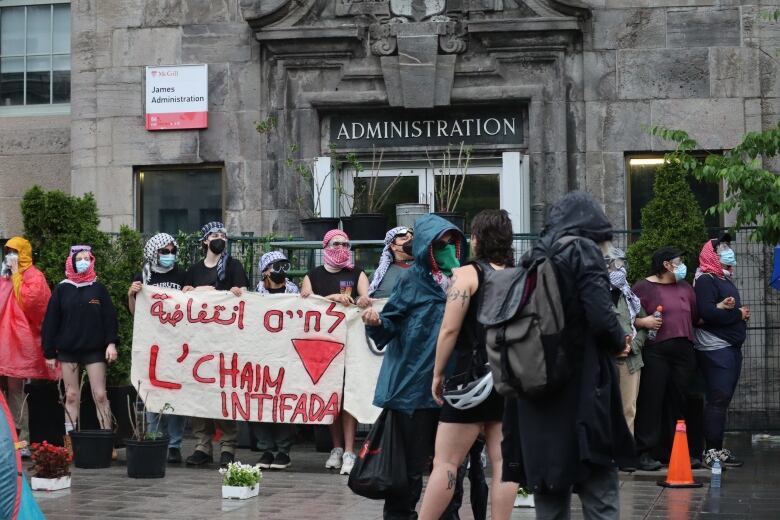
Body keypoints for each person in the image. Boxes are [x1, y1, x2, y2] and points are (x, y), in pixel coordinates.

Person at [501, 192, 633, 520]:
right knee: (598, 490)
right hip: (581, 391)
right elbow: (602, 317)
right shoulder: (583, 251)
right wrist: (620, 340)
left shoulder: (533, 256)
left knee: (549, 491)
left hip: (535, 390)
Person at [362, 214, 467, 520]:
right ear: (425, 247)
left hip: (453, 389)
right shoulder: (412, 280)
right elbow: (390, 323)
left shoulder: (464, 282)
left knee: (450, 467)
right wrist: (376, 321)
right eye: (439, 244)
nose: (446, 249)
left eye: (451, 244)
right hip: (412, 391)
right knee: (407, 469)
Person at [419, 209, 518, 520]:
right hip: (511, 378)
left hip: (469, 379)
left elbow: (449, 329)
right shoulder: (521, 276)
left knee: (446, 463)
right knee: (504, 464)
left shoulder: (467, 275)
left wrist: (437, 373)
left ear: (478, 239)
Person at [300, 229, 370, 475]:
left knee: (348, 395)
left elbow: (366, 298)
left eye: (346, 244)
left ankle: (350, 450)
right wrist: (330, 298)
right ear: (325, 246)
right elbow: (304, 304)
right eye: (336, 243)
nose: (341, 248)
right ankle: (337, 448)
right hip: (324, 345)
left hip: (351, 343)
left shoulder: (357, 273)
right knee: (332, 397)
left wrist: (362, 300)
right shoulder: (313, 276)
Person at [182, 222, 249, 467]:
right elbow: (184, 299)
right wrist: (195, 290)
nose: (219, 238)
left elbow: (242, 294)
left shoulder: (234, 266)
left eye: (223, 235)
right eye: (214, 235)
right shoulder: (194, 270)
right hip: (200, 340)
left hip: (225, 340)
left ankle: (228, 445)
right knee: (199, 390)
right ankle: (202, 445)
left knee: (224, 390)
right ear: (204, 241)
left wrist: (233, 293)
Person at [631, 246, 699, 471]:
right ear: (666, 265)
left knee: (679, 401)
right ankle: (645, 452)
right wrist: (644, 322)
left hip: (684, 350)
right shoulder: (643, 287)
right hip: (656, 350)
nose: (682, 266)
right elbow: (629, 316)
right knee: (652, 400)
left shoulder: (686, 288)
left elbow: (695, 316)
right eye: (678, 261)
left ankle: (678, 451)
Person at [41, 245, 119, 435]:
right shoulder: (62, 289)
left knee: (100, 395)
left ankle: (106, 439)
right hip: (69, 351)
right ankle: (69, 443)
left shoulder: (98, 288)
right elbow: (51, 321)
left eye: (87, 258)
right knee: (72, 396)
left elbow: (109, 318)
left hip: (94, 350)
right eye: (79, 259)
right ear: (72, 262)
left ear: (92, 261)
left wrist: (111, 343)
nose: (83, 262)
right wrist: (49, 353)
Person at [127, 233, 187, 463]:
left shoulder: (182, 274)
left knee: (176, 391)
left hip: (176, 343)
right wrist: (132, 294)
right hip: (151, 342)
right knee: (152, 391)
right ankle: (154, 436)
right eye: (164, 251)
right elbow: (134, 312)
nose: (169, 255)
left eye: (172, 251)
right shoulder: (143, 276)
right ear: (154, 252)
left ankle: (174, 444)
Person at [693, 237, 747, 469]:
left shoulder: (722, 277)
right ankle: (710, 452)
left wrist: (734, 310)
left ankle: (717, 448)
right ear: (710, 253)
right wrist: (738, 315)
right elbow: (706, 313)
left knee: (723, 400)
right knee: (718, 398)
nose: (728, 251)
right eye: (722, 248)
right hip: (715, 348)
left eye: (728, 247)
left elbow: (721, 309)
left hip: (730, 348)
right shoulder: (705, 279)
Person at [0, 237, 53, 457]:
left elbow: (32, 304)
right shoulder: (4, 277)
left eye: (14, 251)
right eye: (7, 251)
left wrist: (16, 276)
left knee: (15, 392)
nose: (10, 255)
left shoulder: (34, 277)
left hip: (18, 346)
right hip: (4, 343)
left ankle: (21, 443)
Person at [252, 251, 299, 470]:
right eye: (275, 266)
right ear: (265, 271)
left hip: (286, 356)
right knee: (260, 401)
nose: (280, 271)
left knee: (283, 401)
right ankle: (266, 449)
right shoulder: (255, 295)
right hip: (261, 354)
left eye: (283, 265)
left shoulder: (295, 293)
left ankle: (283, 450)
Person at [605, 246, 653, 436]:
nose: (620, 269)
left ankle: (625, 453)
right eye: (616, 264)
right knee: (604, 409)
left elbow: (643, 324)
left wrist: (633, 345)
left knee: (628, 409)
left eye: (622, 264)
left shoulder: (629, 295)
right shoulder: (596, 294)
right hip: (605, 360)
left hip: (630, 361)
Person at [368, 226, 414, 298]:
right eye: (404, 239)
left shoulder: (427, 267)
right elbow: (362, 297)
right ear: (393, 246)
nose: (411, 241)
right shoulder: (378, 275)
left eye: (412, 238)